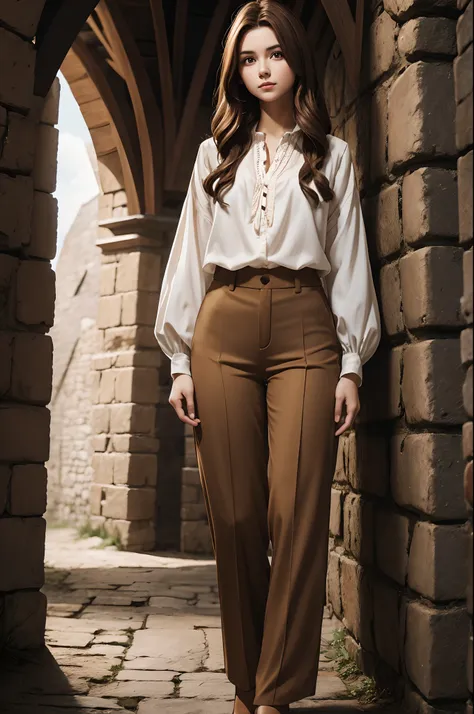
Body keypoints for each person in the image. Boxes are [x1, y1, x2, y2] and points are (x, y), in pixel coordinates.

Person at [154, 2, 381, 712]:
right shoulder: (211, 158)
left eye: (274, 55)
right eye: (249, 59)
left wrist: (351, 362)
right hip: (221, 326)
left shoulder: (331, 156)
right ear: (237, 71)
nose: (262, 69)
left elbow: (348, 262)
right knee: (240, 517)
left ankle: (277, 693)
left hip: (308, 332)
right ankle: (248, 685)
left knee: (298, 507)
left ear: (295, 63)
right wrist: (179, 361)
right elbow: (188, 257)